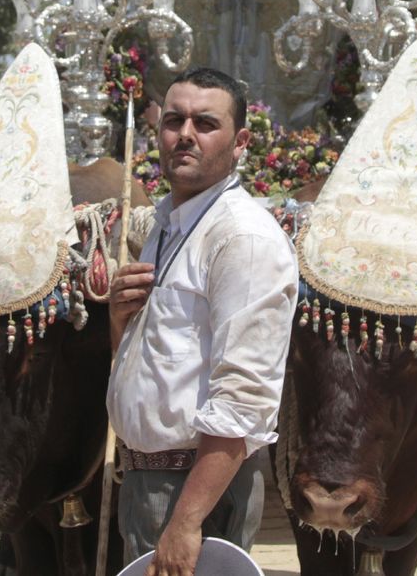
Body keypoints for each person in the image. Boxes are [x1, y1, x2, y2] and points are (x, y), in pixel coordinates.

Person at [106, 67, 298, 576]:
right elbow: (166, 364)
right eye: (174, 120)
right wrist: (122, 322)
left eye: (205, 123)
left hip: (197, 490)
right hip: (149, 481)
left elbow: (243, 397)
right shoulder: (170, 221)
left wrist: (187, 523)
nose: (185, 134)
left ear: (240, 143)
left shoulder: (242, 239)